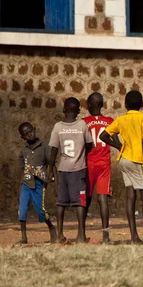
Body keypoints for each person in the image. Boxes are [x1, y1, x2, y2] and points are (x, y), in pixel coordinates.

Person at [100, 91, 143, 244]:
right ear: (142, 104)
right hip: (138, 160)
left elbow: (103, 136)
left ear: (125, 105)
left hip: (124, 160)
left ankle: (134, 236)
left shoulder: (121, 119)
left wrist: (118, 146)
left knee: (130, 196)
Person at [48, 98, 94, 243]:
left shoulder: (58, 127)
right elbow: (90, 144)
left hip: (63, 170)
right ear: (79, 111)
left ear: (63, 110)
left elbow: (53, 149)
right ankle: (81, 235)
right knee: (80, 202)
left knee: (61, 202)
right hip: (79, 170)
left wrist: (50, 168)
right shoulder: (82, 125)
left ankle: (59, 234)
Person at [16, 122, 57, 244]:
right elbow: (21, 166)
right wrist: (22, 179)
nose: (30, 135)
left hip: (39, 183)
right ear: (23, 138)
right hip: (26, 183)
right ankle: (24, 237)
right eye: (26, 134)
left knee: (40, 210)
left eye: (31, 131)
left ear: (34, 129)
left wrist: (52, 177)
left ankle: (51, 227)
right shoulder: (24, 151)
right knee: (22, 210)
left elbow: (51, 163)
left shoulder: (44, 147)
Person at [83, 92, 115, 244]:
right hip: (104, 163)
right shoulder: (110, 121)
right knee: (103, 198)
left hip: (88, 163)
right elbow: (115, 140)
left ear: (88, 106)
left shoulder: (84, 122)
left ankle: (81, 233)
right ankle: (106, 236)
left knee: (86, 198)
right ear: (102, 105)